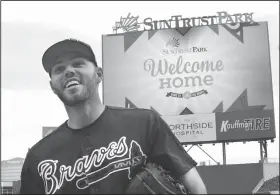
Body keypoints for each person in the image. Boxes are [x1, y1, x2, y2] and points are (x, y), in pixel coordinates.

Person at [20, 39, 207, 194]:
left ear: (99, 74)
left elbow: (195, 186)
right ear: (53, 86)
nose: (69, 71)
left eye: (78, 64)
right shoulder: (39, 158)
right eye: (59, 69)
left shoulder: (144, 123)